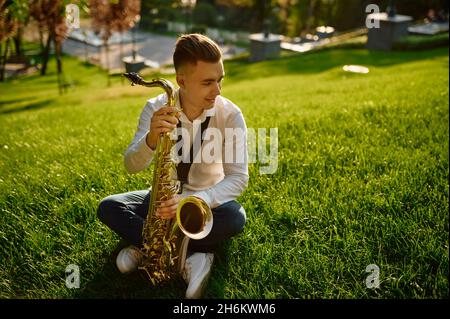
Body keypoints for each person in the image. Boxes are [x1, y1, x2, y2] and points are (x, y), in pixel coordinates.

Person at [97, 34, 249, 299]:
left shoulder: (230, 115)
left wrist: (192, 200)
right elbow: (131, 165)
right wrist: (151, 139)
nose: (218, 91)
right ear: (181, 81)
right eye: (207, 82)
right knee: (109, 207)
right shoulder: (155, 107)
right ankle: (190, 257)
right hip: (162, 201)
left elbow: (238, 179)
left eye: (220, 80)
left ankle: (146, 248)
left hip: (204, 201)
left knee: (235, 218)